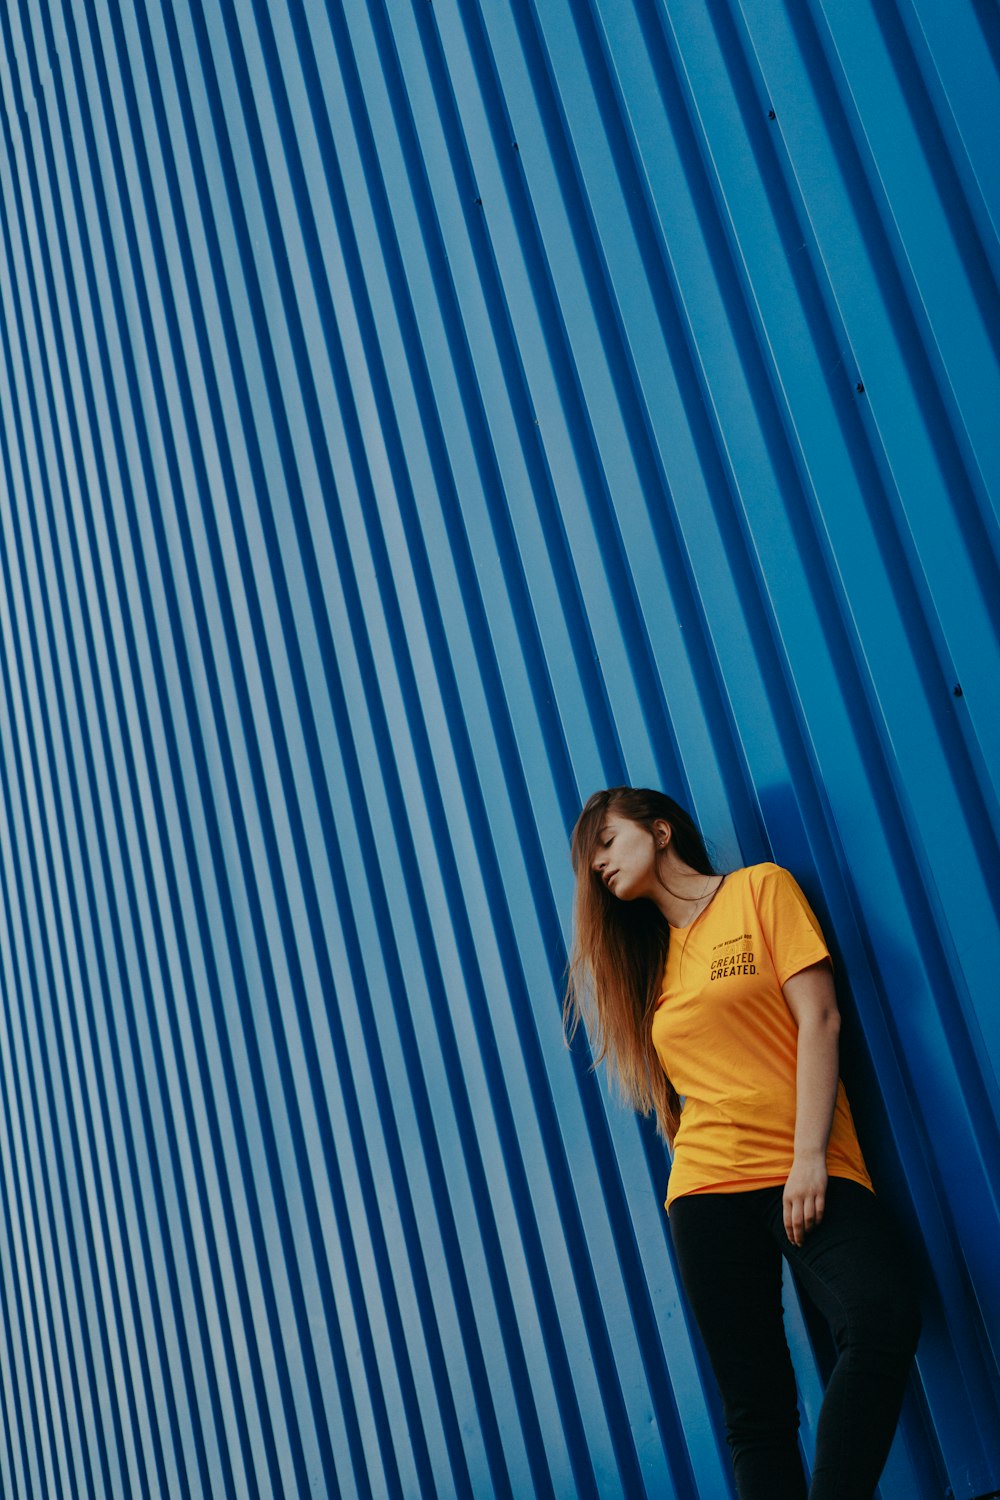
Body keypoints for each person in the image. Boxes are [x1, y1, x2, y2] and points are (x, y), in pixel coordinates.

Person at [565, 787, 920, 1500]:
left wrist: (809, 1158)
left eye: (605, 842)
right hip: (705, 1192)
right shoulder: (651, 967)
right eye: (588, 861)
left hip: (806, 1164)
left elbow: (819, 1019)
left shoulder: (760, 890)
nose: (597, 866)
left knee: (881, 1313)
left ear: (660, 829)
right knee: (756, 1414)